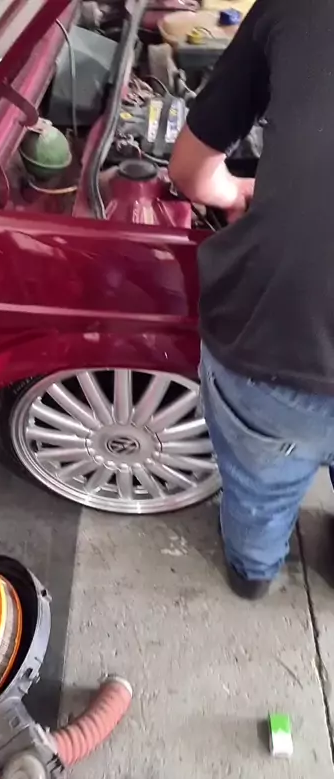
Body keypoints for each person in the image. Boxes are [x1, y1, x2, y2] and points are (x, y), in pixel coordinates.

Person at [169, 0, 334, 600]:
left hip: (276, 341)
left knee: (261, 489)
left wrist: (239, 191)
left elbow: (191, 173)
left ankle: (253, 574)